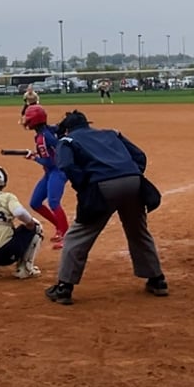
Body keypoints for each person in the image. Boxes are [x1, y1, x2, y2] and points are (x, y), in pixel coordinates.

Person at [46, 110, 166, 306]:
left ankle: (64, 288)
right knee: (138, 231)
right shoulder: (111, 133)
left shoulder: (67, 141)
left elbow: (66, 165)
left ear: (67, 129)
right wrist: (131, 174)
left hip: (102, 186)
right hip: (134, 183)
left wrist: (85, 185)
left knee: (78, 235)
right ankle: (157, 280)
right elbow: (139, 156)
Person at [19, 105, 69, 249]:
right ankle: (60, 227)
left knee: (53, 202)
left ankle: (66, 235)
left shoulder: (42, 138)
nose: (27, 122)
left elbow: (49, 162)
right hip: (50, 171)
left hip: (57, 171)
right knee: (35, 202)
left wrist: (34, 157)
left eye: (29, 119)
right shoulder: (48, 130)